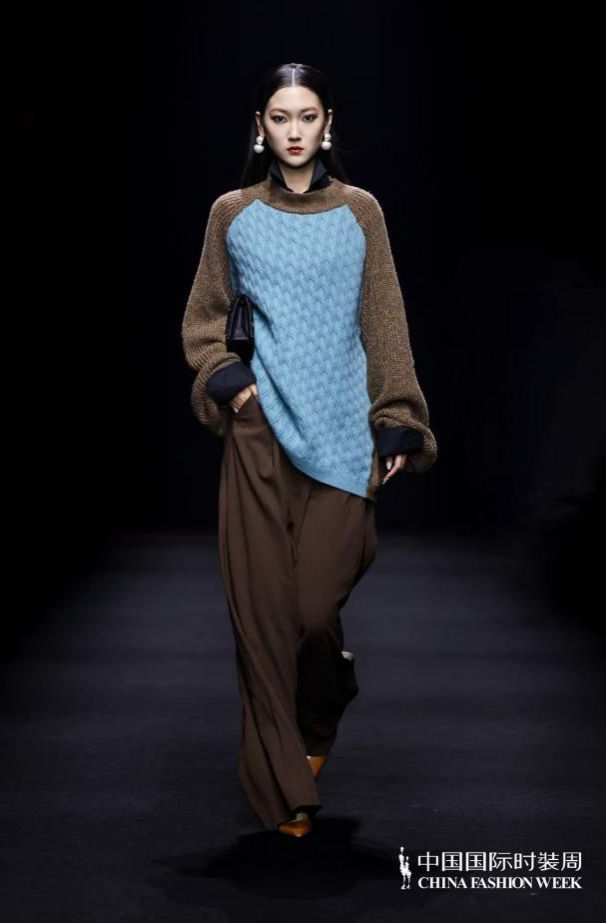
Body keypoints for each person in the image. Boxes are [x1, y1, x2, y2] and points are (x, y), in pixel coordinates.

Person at [181, 62, 437, 837]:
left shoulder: (361, 212)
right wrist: (232, 385)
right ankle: (286, 790)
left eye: (308, 116)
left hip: (341, 437)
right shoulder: (232, 214)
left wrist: (397, 415)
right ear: (260, 127)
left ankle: (322, 701)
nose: (294, 131)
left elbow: (384, 321)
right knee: (262, 619)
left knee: (312, 611)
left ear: (329, 125)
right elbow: (204, 318)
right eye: (280, 117)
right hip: (260, 438)